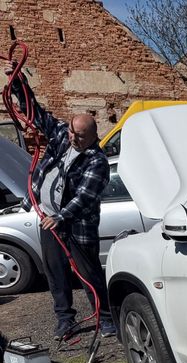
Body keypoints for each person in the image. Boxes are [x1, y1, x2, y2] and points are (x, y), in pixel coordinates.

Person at [4, 65, 116, 339]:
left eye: (80, 136)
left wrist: (61, 216)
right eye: (71, 132)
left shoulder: (96, 160)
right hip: (49, 221)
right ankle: (65, 320)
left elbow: (85, 196)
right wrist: (18, 82)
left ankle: (106, 319)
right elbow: (37, 114)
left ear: (93, 136)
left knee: (88, 273)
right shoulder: (62, 136)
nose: (72, 138)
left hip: (76, 226)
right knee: (56, 274)